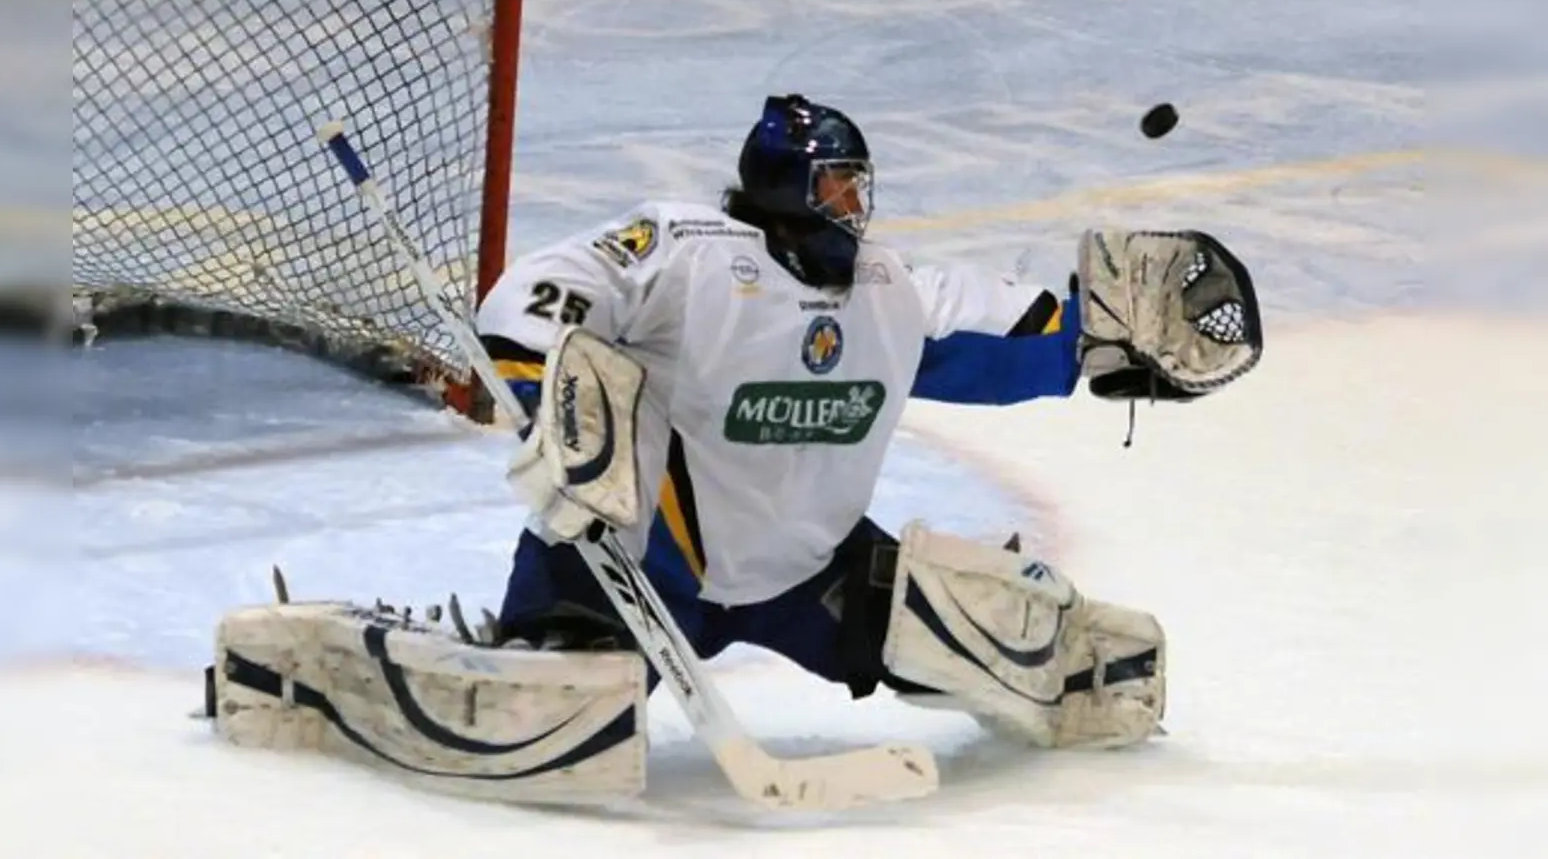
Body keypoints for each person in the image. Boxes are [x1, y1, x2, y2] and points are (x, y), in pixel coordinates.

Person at [472, 93, 1263, 750]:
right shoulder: (686, 252)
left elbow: (996, 330)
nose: (855, 207)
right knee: (543, 720)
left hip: (805, 575)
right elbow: (537, 294)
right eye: (837, 188)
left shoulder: (887, 290)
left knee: (1028, 642)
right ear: (787, 190)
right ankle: (519, 661)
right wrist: (555, 408)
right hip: (634, 569)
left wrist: (1096, 337)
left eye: (858, 187)